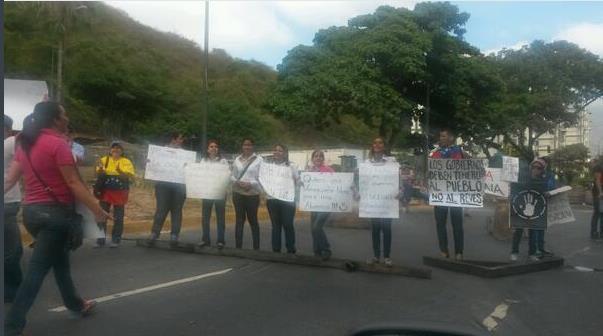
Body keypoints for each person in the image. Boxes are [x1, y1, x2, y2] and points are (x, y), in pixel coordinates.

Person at [3, 102, 111, 336]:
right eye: (64, 114)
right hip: (56, 215)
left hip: (31, 213)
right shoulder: (58, 145)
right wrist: (97, 210)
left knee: (60, 263)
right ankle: (12, 327)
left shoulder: (25, 143)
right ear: (55, 119)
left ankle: (76, 304)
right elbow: (73, 183)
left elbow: (10, 179)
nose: (67, 117)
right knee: (36, 271)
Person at [357, 137, 398, 267]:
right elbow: (361, 181)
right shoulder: (366, 164)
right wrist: (358, 191)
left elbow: (398, 179)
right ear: (372, 146)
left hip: (387, 202)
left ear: (384, 146)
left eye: (380, 142)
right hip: (373, 202)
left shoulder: (392, 163)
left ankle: (386, 257)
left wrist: (400, 190)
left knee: (386, 229)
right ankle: (376, 256)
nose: (377, 144)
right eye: (375, 142)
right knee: (375, 229)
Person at [429, 128, 467, 260]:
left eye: (444, 136)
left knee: (457, 224)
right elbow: (431, 171)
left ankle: (459, 252)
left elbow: (464, 169)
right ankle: (444, 250)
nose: (441, 138)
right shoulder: (436, 153)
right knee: (440, 223)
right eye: (440, 136)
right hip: (440, 193)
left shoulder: (459, 152)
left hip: (455, 193)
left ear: (451, 138)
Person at [510, 158, 557, 261]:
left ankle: (532, 253)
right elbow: (514, 191)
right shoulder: (522, 178)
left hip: (536, 210)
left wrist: (548, 193)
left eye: (539, 168)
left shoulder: (543, 181)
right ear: (530, 168)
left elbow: (549, 192)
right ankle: (514, 252)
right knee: (518, 230)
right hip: (521, 208)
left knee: (533, 232)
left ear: (542, 170)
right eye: (534, 167)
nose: (536, 169)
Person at [149, 132, 187, 246]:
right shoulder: (160, 151)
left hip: (179, 186)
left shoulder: (185, 154)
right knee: (161, 209)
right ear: (173, 139)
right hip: (162, 185)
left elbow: (190, 169)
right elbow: (153, 164)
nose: (182, 141)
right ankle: (154, 233)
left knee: (177, 210)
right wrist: (149, 163)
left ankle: (174, 235)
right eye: (180, 139)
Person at [95, 141, 136, 248]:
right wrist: (100, 170)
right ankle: (100, 239)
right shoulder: (104, 160)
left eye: (118, 148)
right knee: (101, 214)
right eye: (113, 148)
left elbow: (128, 177)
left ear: (122, 151)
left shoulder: (126, 161)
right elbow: (99, 174)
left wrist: (120, 171)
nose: (116, 150)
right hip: (105, 191)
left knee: (118, 216)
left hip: (120, 191)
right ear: (110, 150)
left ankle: (116, 240)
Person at [265, 144, 301, 254]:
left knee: (287, 224)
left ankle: (290, 248)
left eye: (280, 151)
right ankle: (276, 249)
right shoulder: (267, 166)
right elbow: (263, 179)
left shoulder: (292, 166)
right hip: (272, 199)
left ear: (285, 153)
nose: (277, 152)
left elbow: (298, 181)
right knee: (275, 225)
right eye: (275, 150)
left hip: (288, 200)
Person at [231, 138, 263, 250]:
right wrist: (237, 182)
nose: (247, 147)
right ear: (242, 146)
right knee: (239, 220)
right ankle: (238, 247)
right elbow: (232, 175)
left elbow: (262, 177)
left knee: (253, 220)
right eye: (245, 145)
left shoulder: (259, 160)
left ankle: (256, 248)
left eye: (249, 145)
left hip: (252, 194)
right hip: (238, 193)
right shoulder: (236, 160)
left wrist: (251, 183)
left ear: (253, 146)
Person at [4, 115, 23, 305]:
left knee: (13, 249)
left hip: (9, 202)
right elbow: (29, 135)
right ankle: (13, 290)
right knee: (11, 251)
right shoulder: (9, 142)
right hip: (7, 202)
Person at [198, 139, 230, 249]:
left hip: (219, 193)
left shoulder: (223, 162)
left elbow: (226, 176)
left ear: (218, 149)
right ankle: (205, 239)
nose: (213, 148)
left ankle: (221, 240)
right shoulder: (203, 161)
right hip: (207, 193)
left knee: (220, 217)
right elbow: (199, 175)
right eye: (211, 146)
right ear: (207, 149)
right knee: (205, 217)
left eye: (215, 146)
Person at [306, 149, 335, 260]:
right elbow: (304, 186)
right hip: (313, 204)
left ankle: (326, 249)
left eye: (320, 156)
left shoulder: (329, 170)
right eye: (316, 156)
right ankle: (317, 251)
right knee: (312, 228)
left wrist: (354, 190)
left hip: (326, 204)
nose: (318, 158)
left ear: (323, 159)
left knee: (317, 227)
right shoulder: (309, 171)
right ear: (312, 158)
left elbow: (339, 183)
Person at [590, 161, 603, 240]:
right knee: (597, 213)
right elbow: (597, 180)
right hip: (598, 195)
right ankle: (594, 232)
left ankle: (601, 232)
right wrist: (600, 192)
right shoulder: (598, 167)